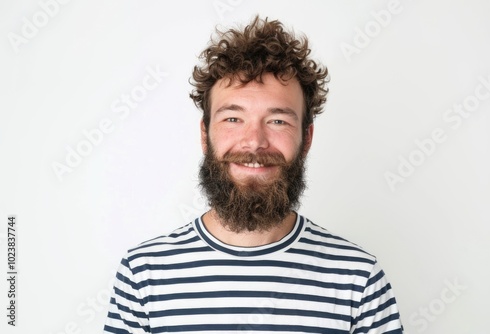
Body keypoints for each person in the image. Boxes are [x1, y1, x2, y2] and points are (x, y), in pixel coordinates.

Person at [104, 16, 404, 333]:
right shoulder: (143, 275)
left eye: (278, 121)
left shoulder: (359, 280)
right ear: (205, 135)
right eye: (233, 118)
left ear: (307, 138)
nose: (255, 142)